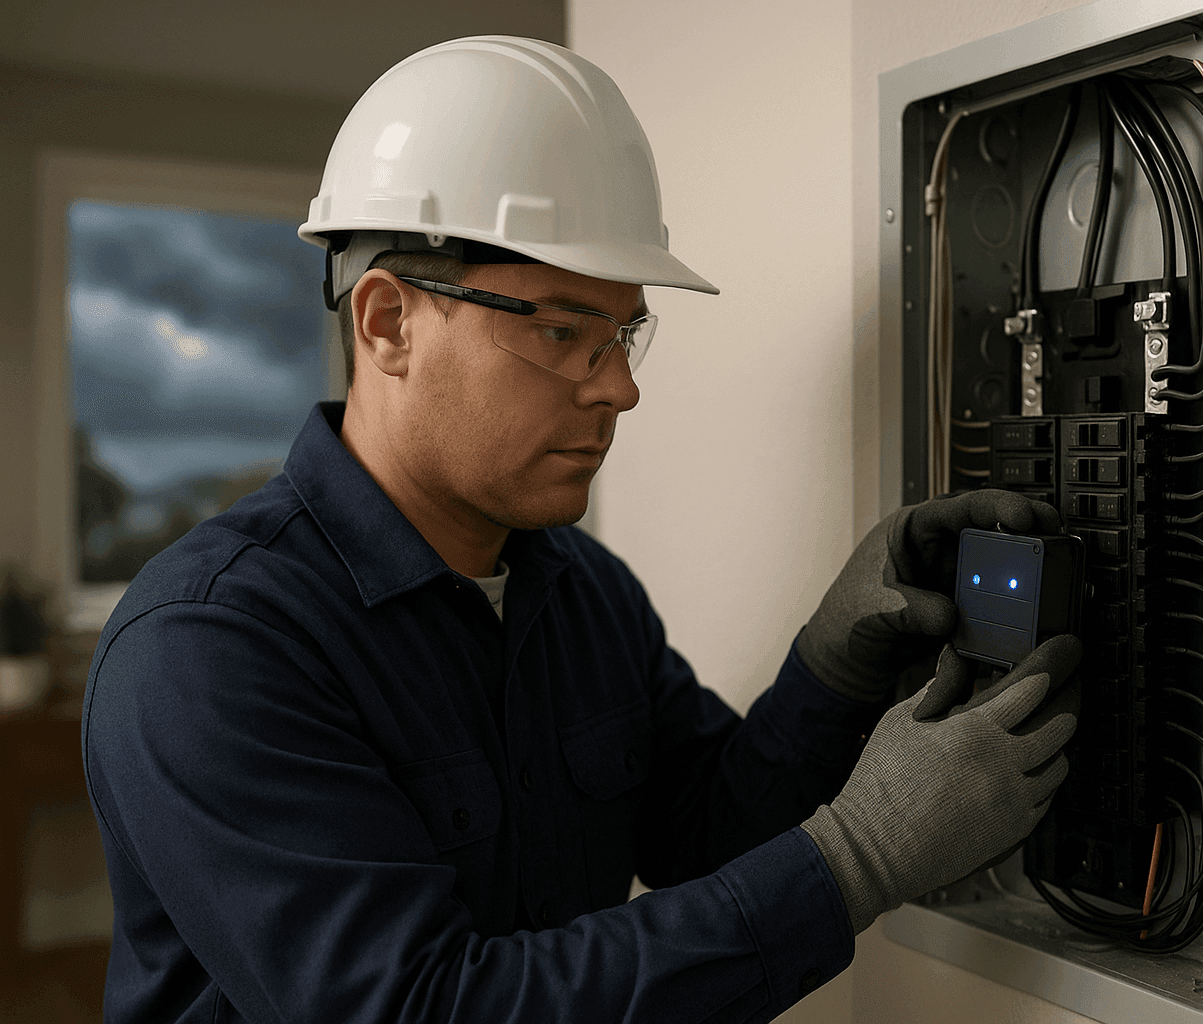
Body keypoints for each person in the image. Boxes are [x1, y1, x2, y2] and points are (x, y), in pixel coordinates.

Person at [82, 37, 1080, 1024]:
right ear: (388, 321)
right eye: (563, 332)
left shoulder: (582, 592)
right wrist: (863, 856)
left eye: (623, 332)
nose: (621, 387)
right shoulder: (210, 647)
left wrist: (832, 666)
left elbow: (704, 834)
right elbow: (419, 1007)